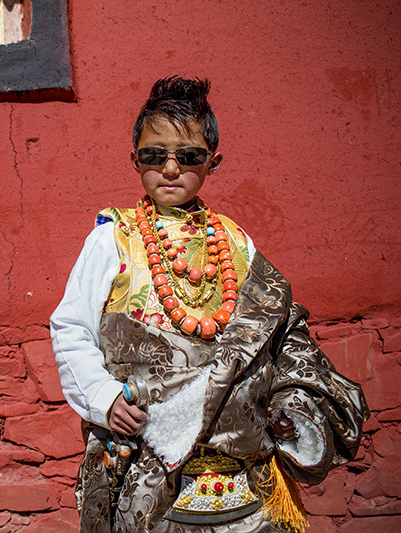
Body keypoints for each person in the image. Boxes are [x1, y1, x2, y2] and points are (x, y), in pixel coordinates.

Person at [50, 76, 368, 532]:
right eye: (154, 156)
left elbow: (276, 331)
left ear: (213, 163)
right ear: (134, 159)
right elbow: (70, 327)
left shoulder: (235, 241)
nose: (171, 168)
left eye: (189, 156)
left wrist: (290, 403)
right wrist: (104, 398)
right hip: (148, 464)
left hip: (244, 472)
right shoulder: (111, 239)